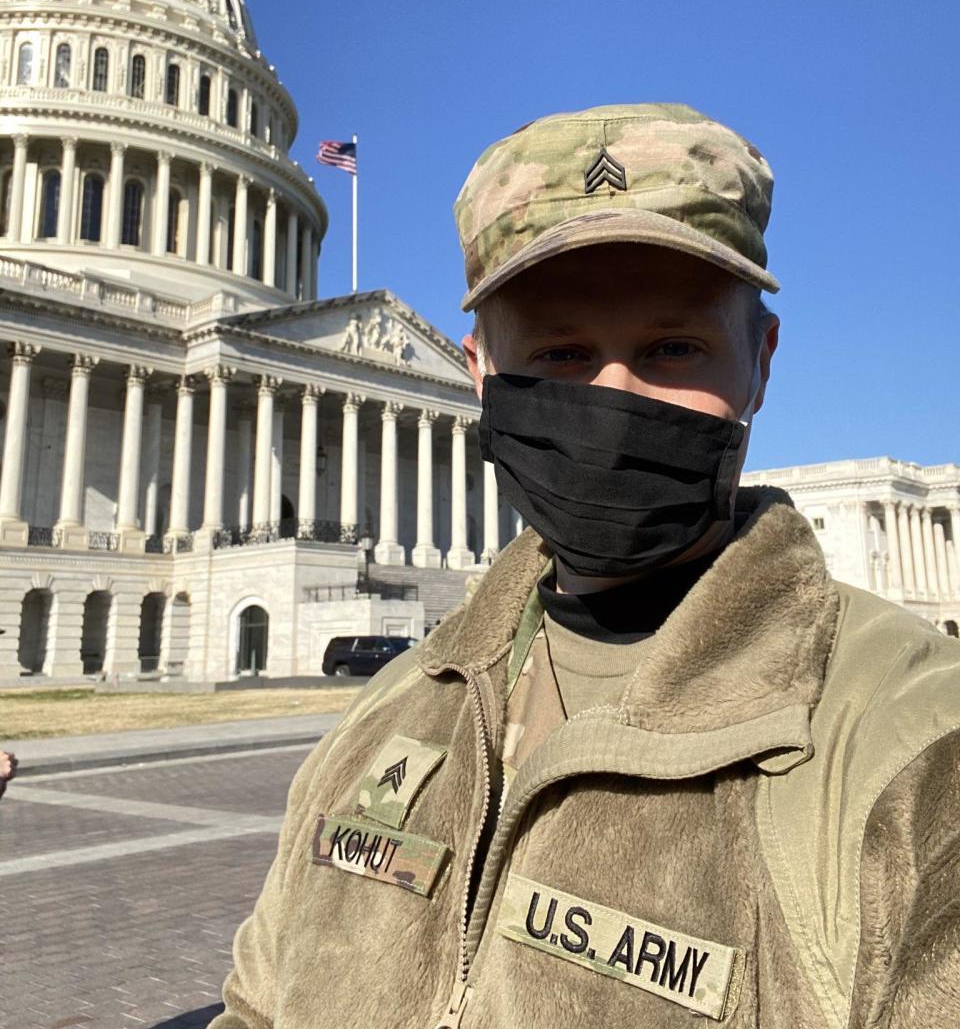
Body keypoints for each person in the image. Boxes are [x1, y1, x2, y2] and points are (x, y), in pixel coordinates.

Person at [212, 103, 960, 1028]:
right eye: (561, 352)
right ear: (480, 374)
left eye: (672, 348)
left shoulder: (910, 743)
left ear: (760, 363)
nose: (614, 396)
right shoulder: (391, 709)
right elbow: (256, 1006)